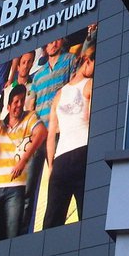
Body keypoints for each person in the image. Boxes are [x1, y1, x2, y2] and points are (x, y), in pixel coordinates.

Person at [23, 39, 76, 229]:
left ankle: (54, 229)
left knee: (59, 182)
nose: (53, 44)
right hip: (39, 136)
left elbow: (74, 89)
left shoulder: (69, 60)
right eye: (50, 42)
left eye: (57, 40)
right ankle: (22, 234)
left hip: (60, 132)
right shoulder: (38, 76)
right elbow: (30, 106)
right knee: (28, 188)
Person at [0, 84, 47, 241]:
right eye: (16, 102)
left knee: (12, 237)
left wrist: (24, 160)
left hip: (15, 187)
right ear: (8, 106)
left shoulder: (29, 117)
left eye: (22, 100)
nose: (19, 105)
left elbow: (42, 132)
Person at [43, 45, 94, 229]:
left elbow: (51, 136)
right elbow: (91, 119)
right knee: (87, 214)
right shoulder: (90, 84)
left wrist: (51, 166)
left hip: (61, 159)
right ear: (87, 62)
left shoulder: (59, 94)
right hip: (83, 152)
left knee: (52, 221)